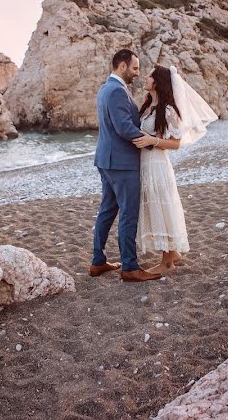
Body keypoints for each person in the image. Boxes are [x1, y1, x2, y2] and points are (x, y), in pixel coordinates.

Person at [132, 65, 218, 274]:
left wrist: (152, 140)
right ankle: (174, 253)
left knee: (162, 208)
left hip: (157, 164)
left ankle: (167, 262)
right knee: (154, 208)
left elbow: (176, 143)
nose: (145, 77)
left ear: (158, 82)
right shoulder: (147, 107)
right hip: (144, 163)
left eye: (150, 75)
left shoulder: (168, 110)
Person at [91, 49, 162, 282]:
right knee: (128, 214)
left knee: (107, 210)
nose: (137, 73)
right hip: (121, 163)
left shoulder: (105, 89)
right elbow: (123, 127)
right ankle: (130, 267)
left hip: (106, 160)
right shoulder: (117, 91)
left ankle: (98, 262)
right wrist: (153, 143)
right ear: (122, 66)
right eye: (134, 68)